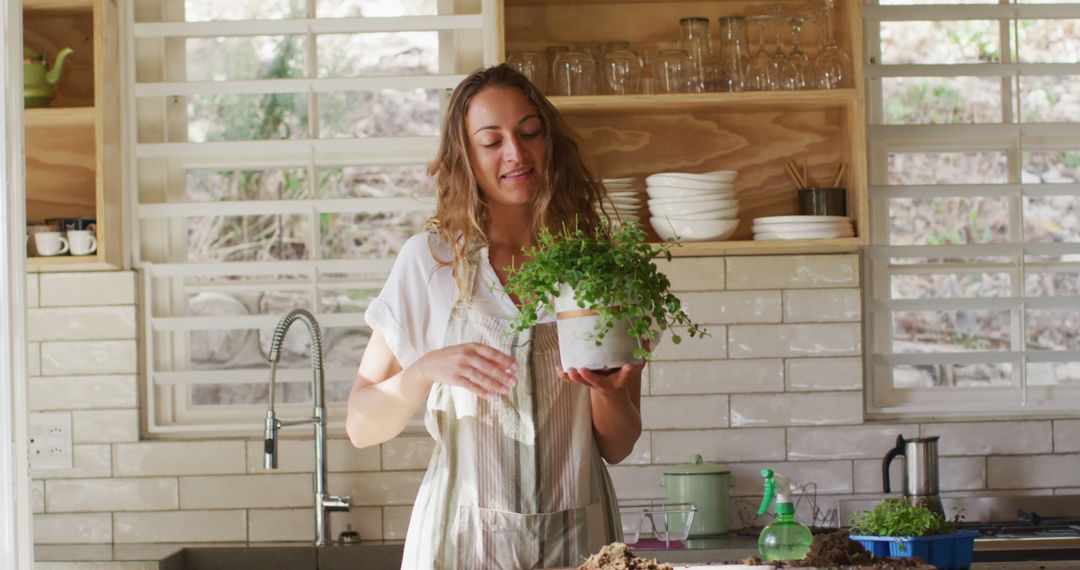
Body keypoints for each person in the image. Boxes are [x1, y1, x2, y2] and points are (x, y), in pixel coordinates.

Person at [345, 64, 644, 569]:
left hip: (579, 540)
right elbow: (361, 426)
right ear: (466, 157)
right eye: (492, 141)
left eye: (529, 132)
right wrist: (424, 371)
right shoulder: (432, 263)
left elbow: (616, 445)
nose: (516, 153)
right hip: (461, 543)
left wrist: (607, 392)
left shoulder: (595, 263)